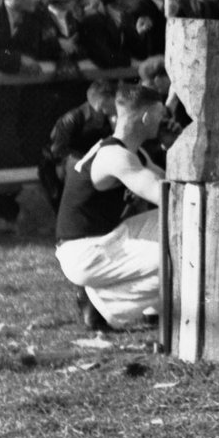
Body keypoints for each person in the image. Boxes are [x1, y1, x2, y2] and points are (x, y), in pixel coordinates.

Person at [54, 81, 166, 332]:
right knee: (181, 259)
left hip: (103, 238)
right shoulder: (116, 157)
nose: (162, 121)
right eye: (160, 115)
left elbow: (170, 184)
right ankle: (100, 306)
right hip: (85, 252)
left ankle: (155, 310)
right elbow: (165, 194)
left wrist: (173, 145)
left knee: (174, 221)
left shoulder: (129, 150)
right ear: (146, 117)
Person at [42, 77, 117, 207]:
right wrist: (86, 160)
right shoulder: (72, 119)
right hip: (67, 167)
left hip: (90, 167)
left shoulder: (110, 118)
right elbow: (57, 150)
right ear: (100, 102)